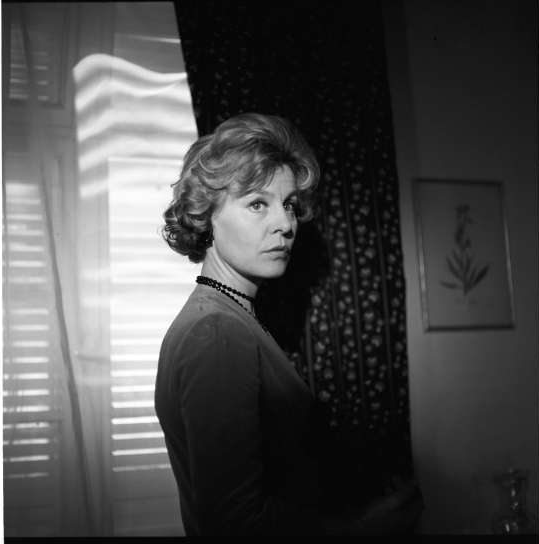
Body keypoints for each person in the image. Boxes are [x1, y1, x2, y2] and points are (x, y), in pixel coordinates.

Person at [154, 112, 422, 536]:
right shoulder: (217, 333)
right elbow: (236, 526)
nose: (285, 224)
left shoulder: (230, 317)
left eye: (289, 205)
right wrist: (367, 526)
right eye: (257, 204)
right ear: (206, 215)